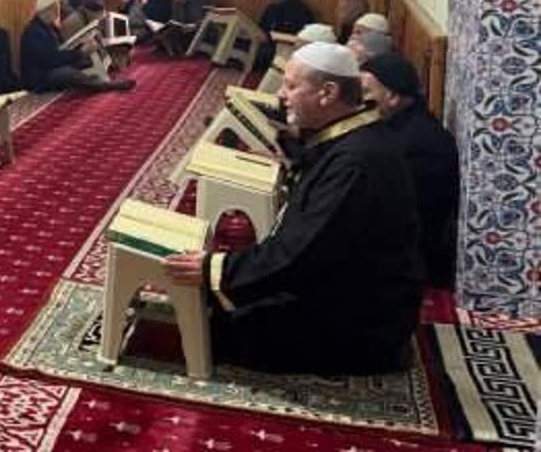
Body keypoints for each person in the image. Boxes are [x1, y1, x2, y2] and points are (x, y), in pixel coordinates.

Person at [164, 42, 423, 375]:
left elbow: (302, 252)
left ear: (327, 93)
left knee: (205, 333)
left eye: (291, 86)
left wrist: (217, 268)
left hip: (358, 325)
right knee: (209, 305)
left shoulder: (357, 162)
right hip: (343, 288)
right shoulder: (355, 135)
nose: (281, 95)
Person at [362, 53, 460, 289]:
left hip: (411, 262)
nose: (359, 101)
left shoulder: (422, 143)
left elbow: (397, 216)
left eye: (366, 92)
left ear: (393, 97)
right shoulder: (399, 127)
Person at [19, 0, 134, 93]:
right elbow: (52, 59)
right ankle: (106, 86)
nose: (57, 14)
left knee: (83, 62)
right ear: (45, 11)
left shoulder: (49, 26)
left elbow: (61, 48)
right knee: (68, 73)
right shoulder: (34, 32)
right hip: (40, 77)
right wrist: (80, 52)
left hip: (53, 66)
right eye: (55, 10)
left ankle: (95, 79)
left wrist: (80, 49)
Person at [255, 0, 315, 70]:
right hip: (268, 47)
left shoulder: (301, 11)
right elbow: (261, 28)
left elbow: (301, 40)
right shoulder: (270, 8)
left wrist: (269, 38)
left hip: (288, 52)